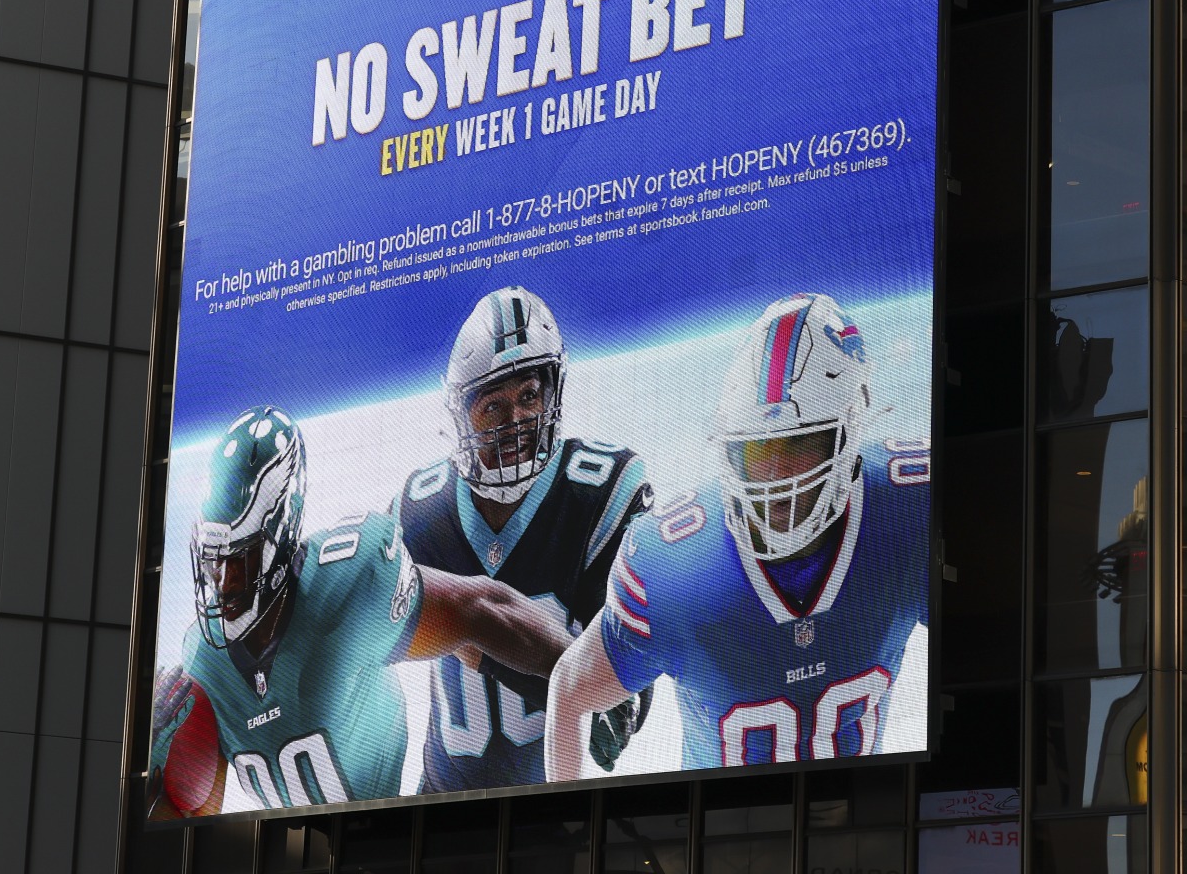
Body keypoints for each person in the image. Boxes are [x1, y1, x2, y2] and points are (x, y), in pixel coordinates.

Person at [545, 292, 929, 777]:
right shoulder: (673, 567)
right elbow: (569, 691)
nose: (776, 475)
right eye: (757, 450)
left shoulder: (910, 511)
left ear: (849, 429)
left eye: (799, 443)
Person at [147, 405, 575, 817]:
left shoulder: (346, 585)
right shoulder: (205, 663)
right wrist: (143, 770)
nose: (221, 581)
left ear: (280, 531)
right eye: (211, 560)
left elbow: (477, 610)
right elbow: (192, 821)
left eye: (238, 559)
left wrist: (589, 674)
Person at [395, 286, 653, 791]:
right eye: (493, 406)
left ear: (552, 394)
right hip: (441, 803)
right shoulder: (422, 509)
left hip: (556, 810)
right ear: (461, 414)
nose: (515, 423)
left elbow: (617, 719)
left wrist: (469, 632)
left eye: (529, 396)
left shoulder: (601, 493)